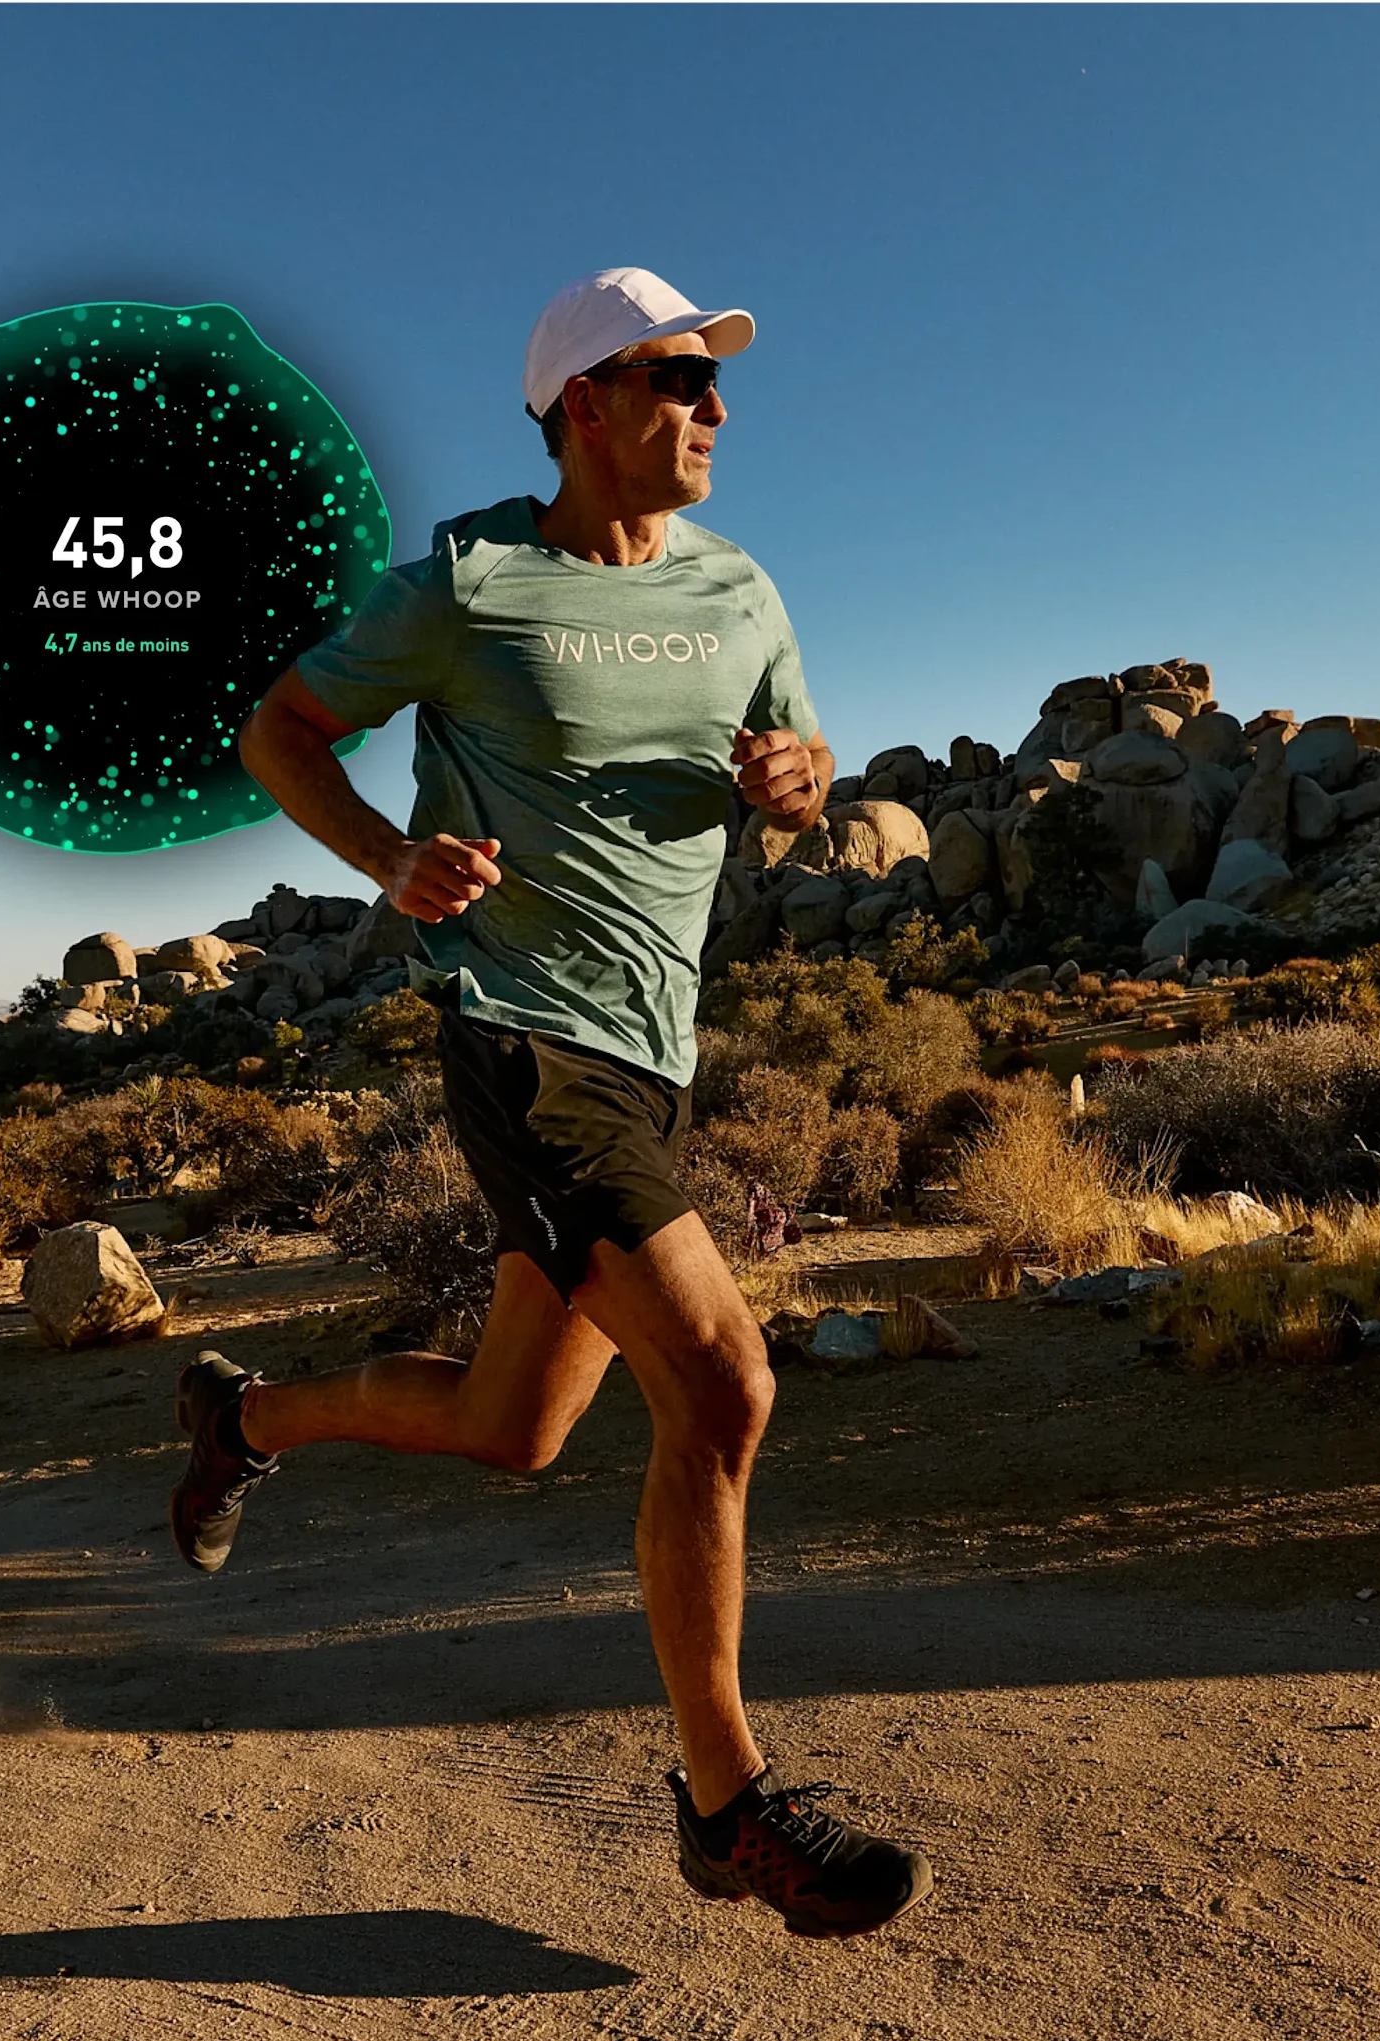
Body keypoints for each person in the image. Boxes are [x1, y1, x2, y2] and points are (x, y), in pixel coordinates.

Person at [166, 267, 931, 1940]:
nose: (715, 410)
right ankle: (728, 1806)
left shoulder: (742, 591)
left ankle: (243, 1420)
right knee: (723, 1387)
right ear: (583, 403)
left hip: (654, 1058)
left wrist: (803, 789)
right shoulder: (472, 581)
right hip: (522, 1042)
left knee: (517, 1427)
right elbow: (280, 727)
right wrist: (389, 860)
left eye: (717, 384)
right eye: (679, 380)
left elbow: (795, 786)